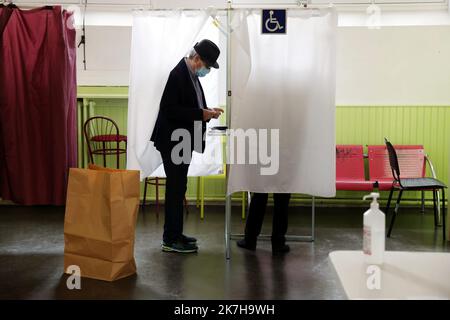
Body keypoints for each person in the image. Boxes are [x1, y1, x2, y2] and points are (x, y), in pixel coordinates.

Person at [151, 39, 223, 253]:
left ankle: (176, 233)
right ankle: (169, 240)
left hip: (181, 140)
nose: (207, 70)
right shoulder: (177, 74)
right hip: (173, 140)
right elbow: (169, 109)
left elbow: (190, 105)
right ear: (197, 58)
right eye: (207, 66)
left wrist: (207, 111)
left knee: (179, 188)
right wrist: (201, 114)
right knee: (175, 189)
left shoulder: (190, 75)